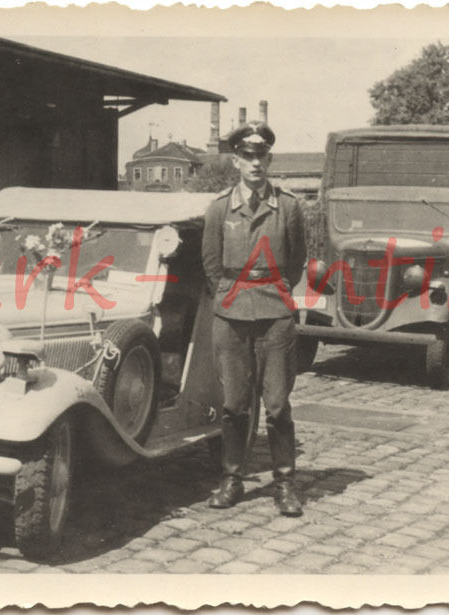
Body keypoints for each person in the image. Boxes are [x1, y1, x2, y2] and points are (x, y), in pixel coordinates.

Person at [201, 122, 307, 516]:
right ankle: (232, 478)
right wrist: (232, 295)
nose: (255, 163)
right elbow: (211, 265)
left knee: (278, 403)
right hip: (231, 315)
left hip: (275, 314)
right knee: (234, 404)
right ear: (235, 161)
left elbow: (295, 261)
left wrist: (273, 291)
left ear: (270, 160)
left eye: (261, 155)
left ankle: (284, 483)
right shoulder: (218, 208)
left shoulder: (289, 206)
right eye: (247, 156)